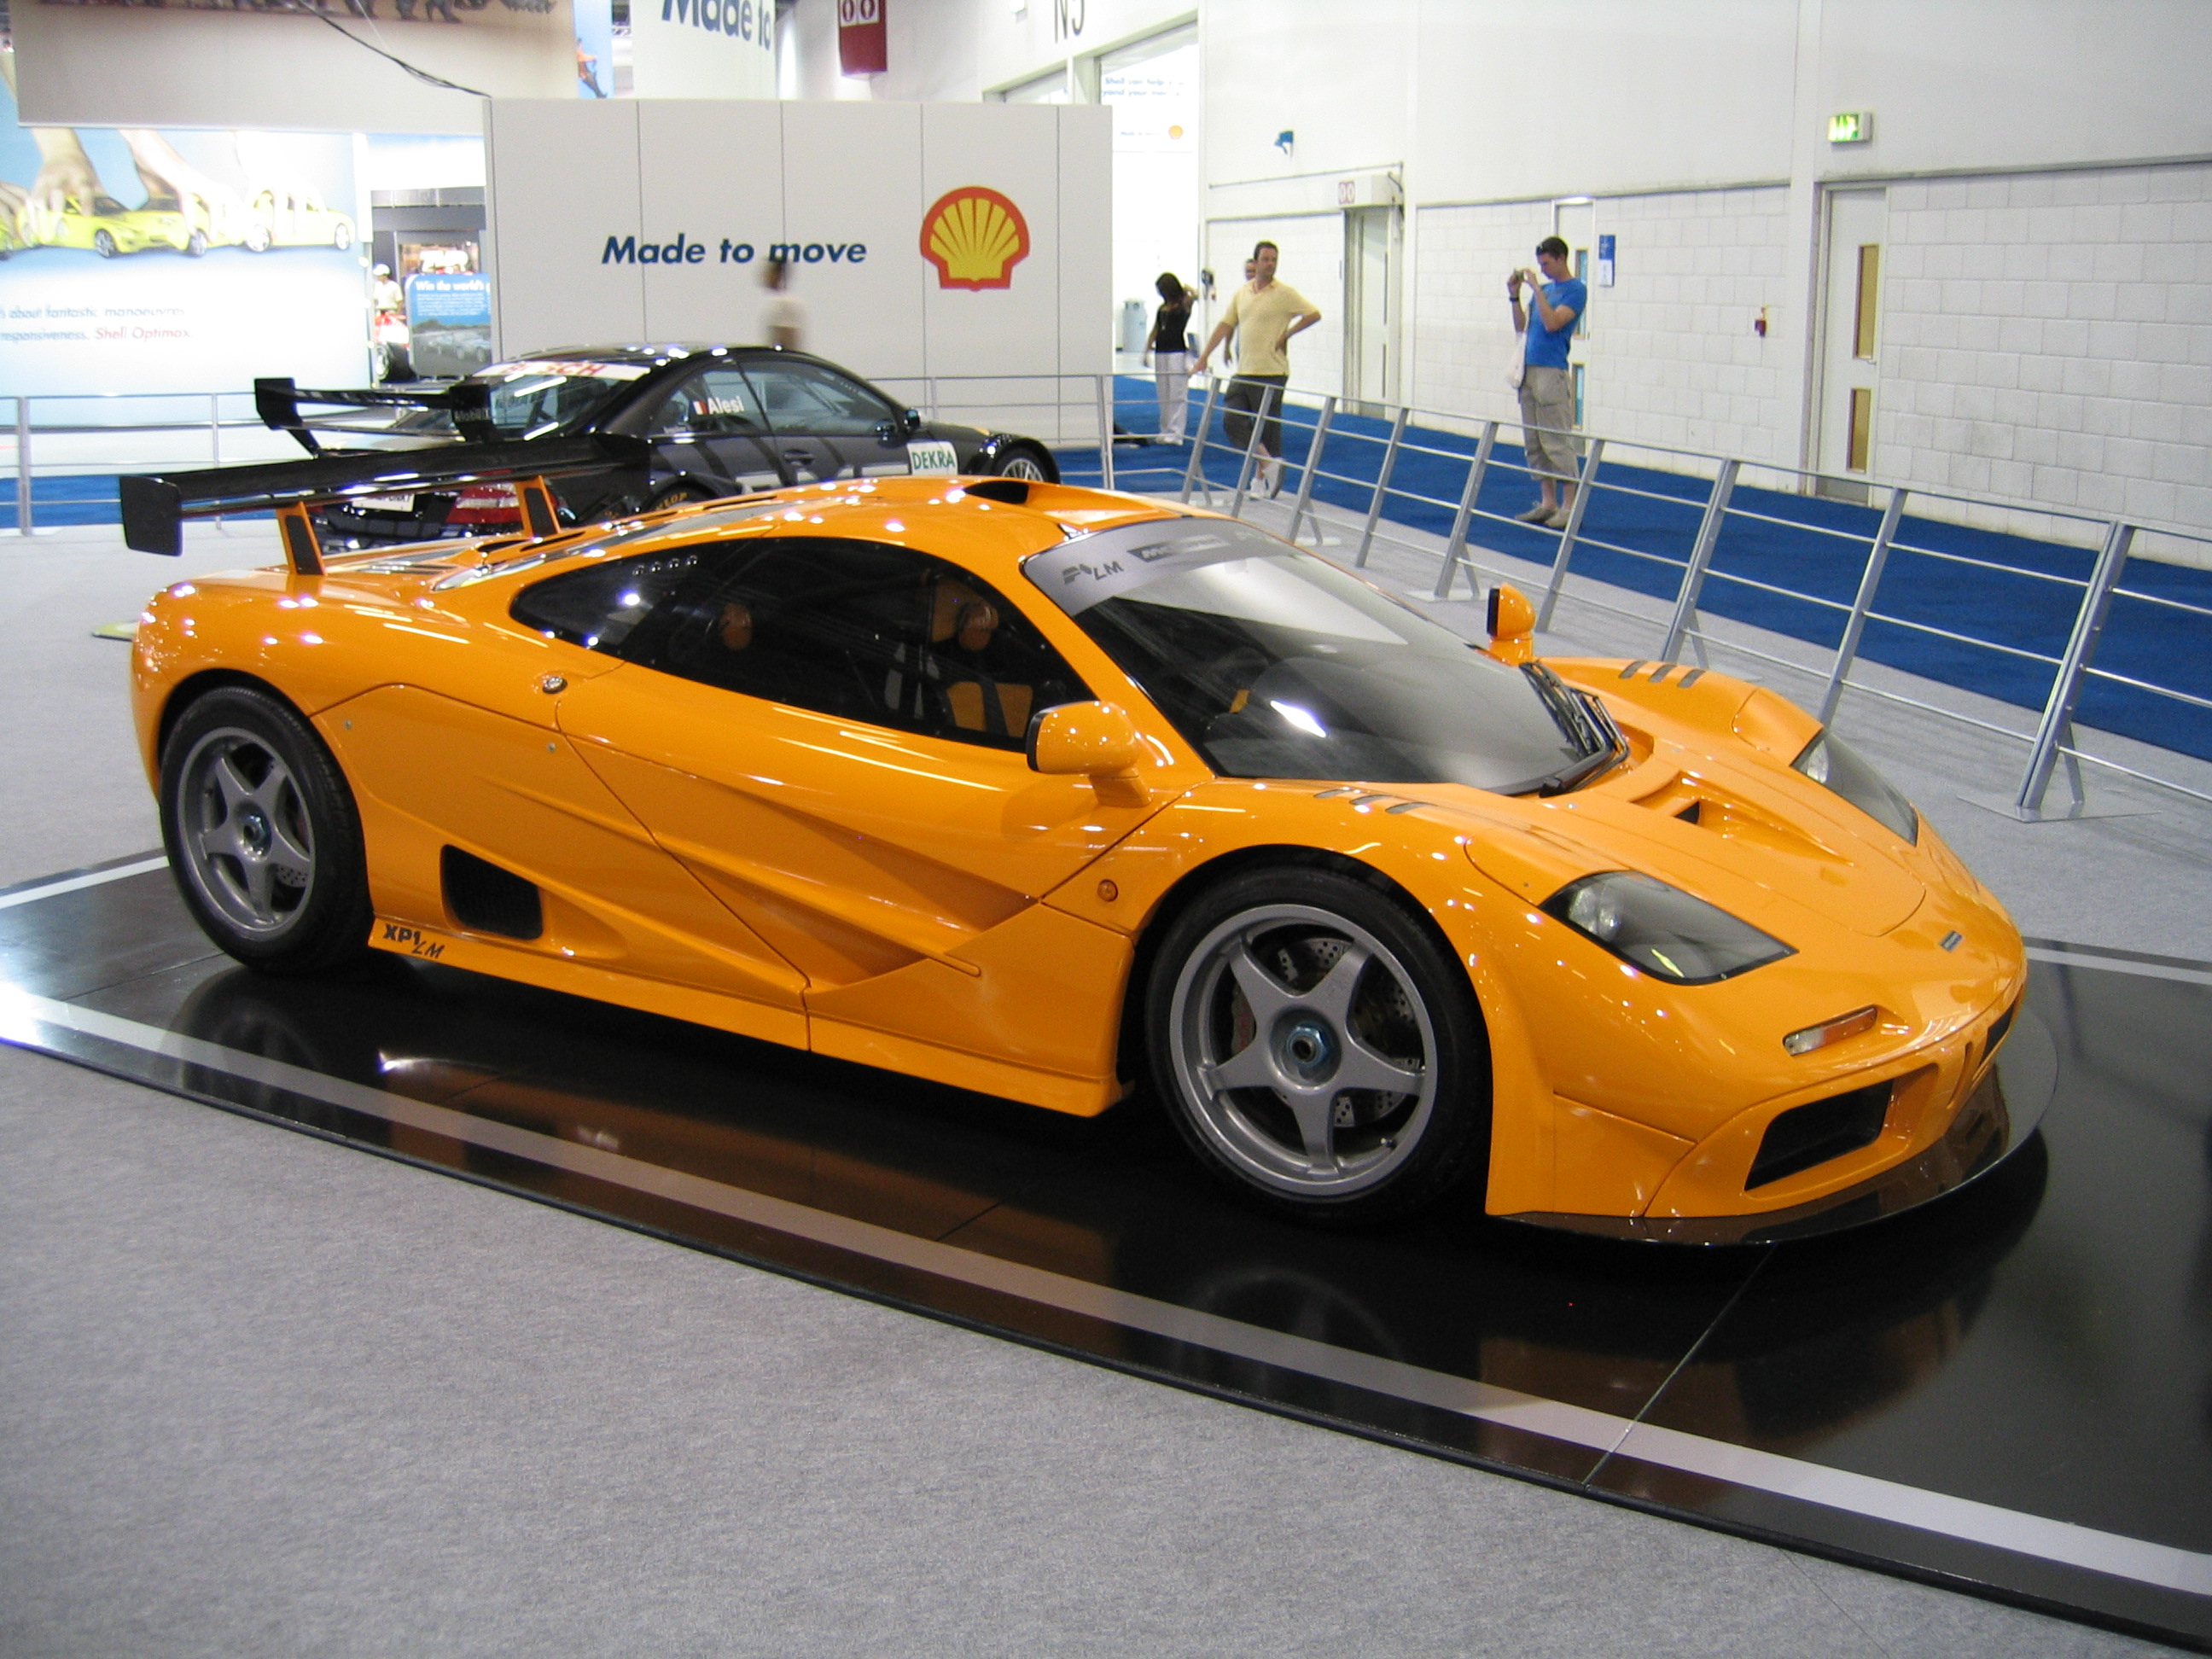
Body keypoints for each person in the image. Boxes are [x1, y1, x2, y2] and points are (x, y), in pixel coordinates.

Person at [1196, 241, 1321, 496]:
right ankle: (1268, 465)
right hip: (1245, 371)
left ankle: (1259, 481)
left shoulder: (1284, 293)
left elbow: (1313, 314)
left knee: (1267, 430)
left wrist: (1287, 334)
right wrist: (1204, 355)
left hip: (1272, 372)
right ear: (1256, 261)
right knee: (1233, 420)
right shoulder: (1242, 293)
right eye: (1265, 259)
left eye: (1274, 260)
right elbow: (1225, 325)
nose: (1270, 264)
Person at [1508, 236, 1587, 527]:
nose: (1543, 270)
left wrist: (1537, 291)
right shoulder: (1544, 290)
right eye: (1540, 265)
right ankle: (1547, 502)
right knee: (1534, 441)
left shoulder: (1575, 290)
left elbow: (1554, 323)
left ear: (1561, 258)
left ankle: (1568, 505)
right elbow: (1521, 328)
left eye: (1546, 264)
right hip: (1529, 369)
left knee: (1556, 440)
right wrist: (1515, 296)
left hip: (1551, 372)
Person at [1143, 272, 1194, 444]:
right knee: (1163, 392)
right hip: (1161, 352)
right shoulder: (1162, 309)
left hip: (1177, 353)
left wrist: (1186, 290)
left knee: (1176, 392)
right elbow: (1155, 329)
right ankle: (1165, 428)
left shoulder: (1183, 306)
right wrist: (1147, 349)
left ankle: (1177, 432)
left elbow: (1194, 295)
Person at [760, 258, 806, 351]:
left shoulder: (784, 303)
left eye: (769, 272)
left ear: (778, 275)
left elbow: (787, 337)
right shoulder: (771, 301)